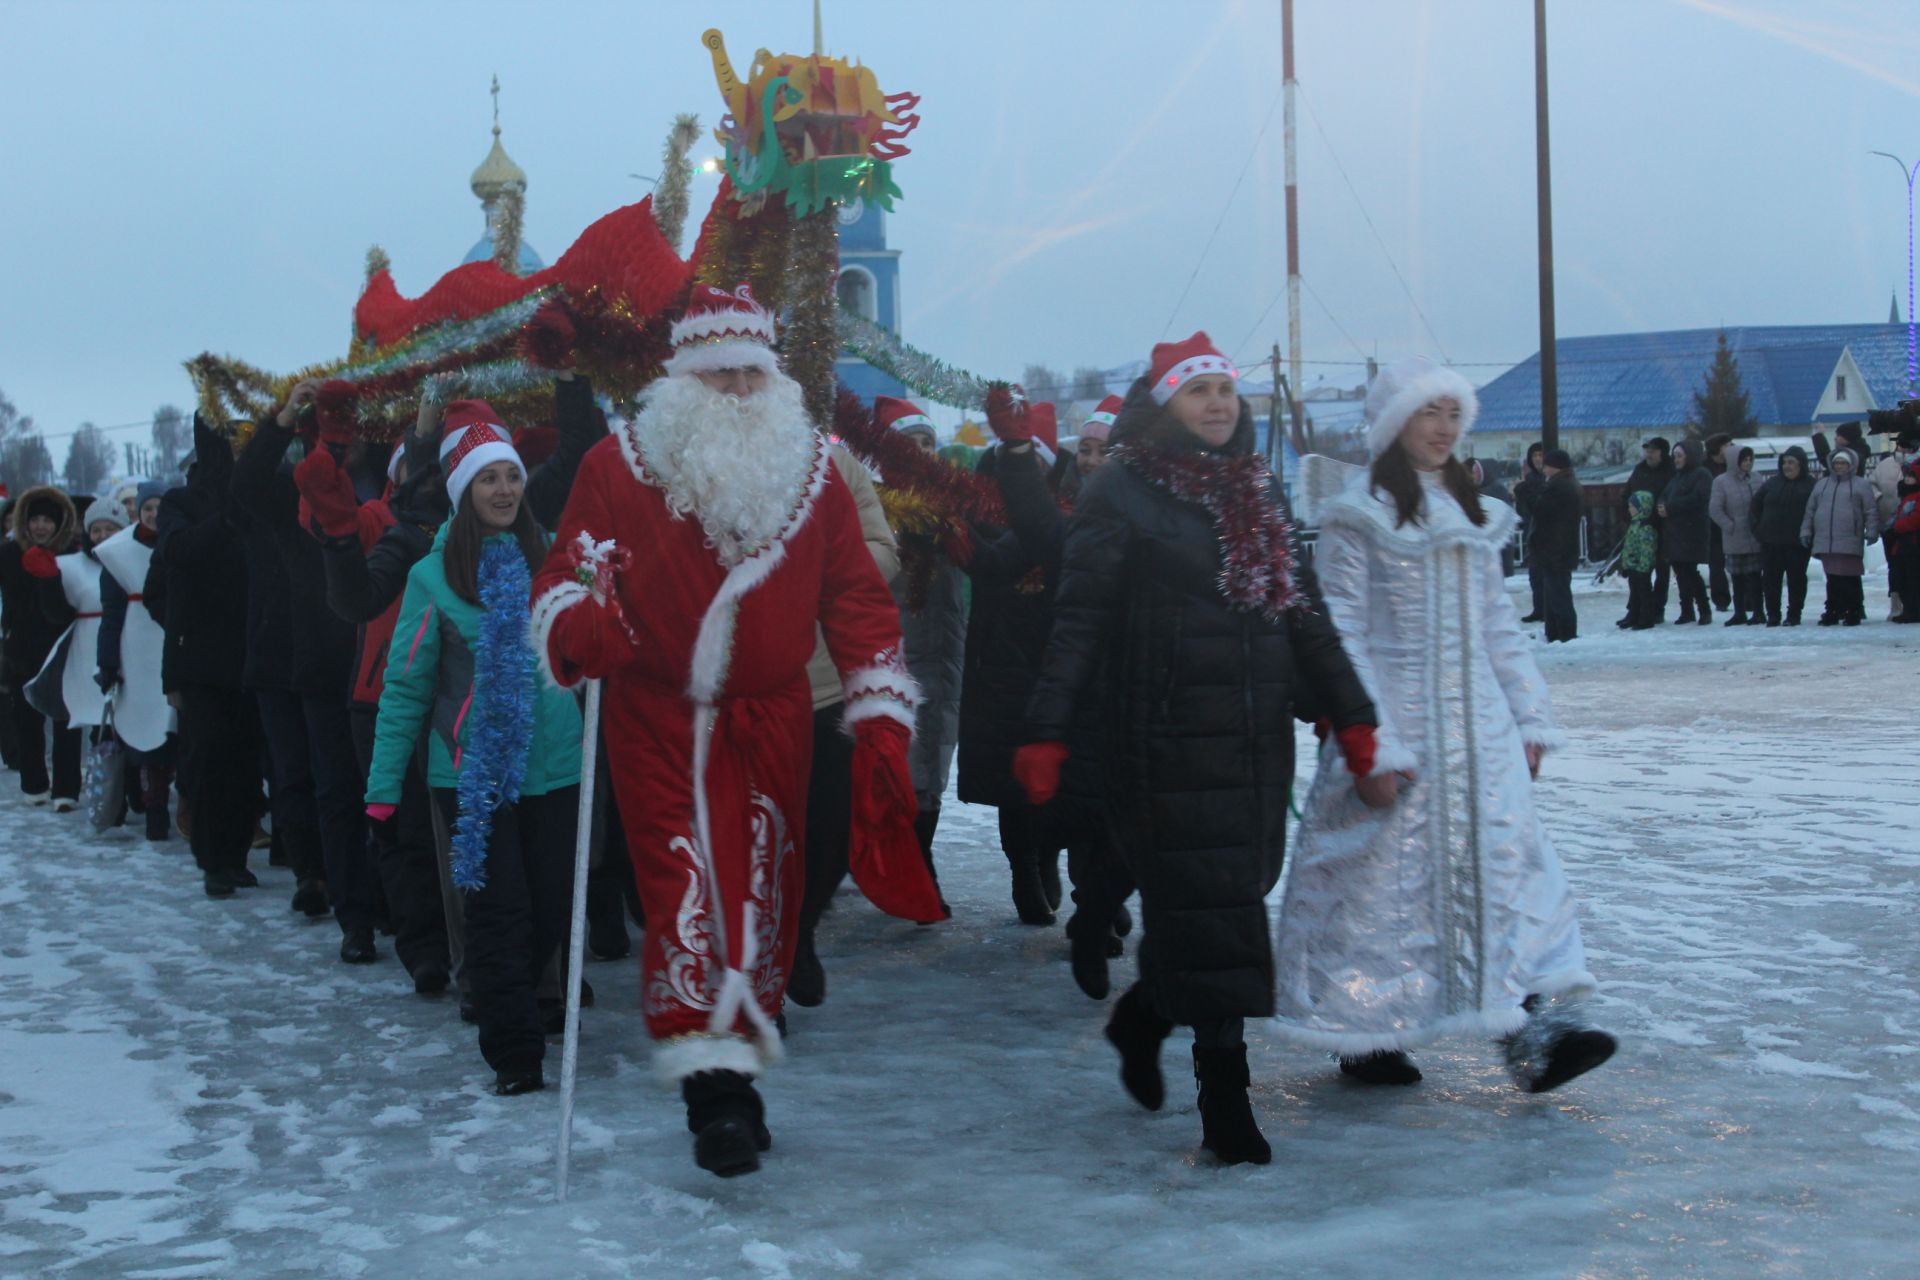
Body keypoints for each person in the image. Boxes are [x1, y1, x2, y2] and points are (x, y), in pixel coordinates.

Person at [531, 284, 941, 1177]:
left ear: (773, 377)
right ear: (682, 377)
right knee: (685, 892)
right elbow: (563, 575)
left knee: (762, 894)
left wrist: (877, 713)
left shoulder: (813, 474)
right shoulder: (617, 465)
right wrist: (578, 623)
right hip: (656, 717)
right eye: (717, 372)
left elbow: (857, 599)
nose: (735, 388)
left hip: (775, 716)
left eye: (750, 371)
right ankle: (715, 1098)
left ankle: (738, 1069)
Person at [1018, 332, 1380, 1167]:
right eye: (1198, 391)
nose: (1218, 404)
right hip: (1163, 739)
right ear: (1164, 405)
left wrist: (1349, 714)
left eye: (1225, 389)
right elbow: (1079, 621)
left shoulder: (1258, 489)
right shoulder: (1122, 489)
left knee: (1225, 899)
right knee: (1219, 910)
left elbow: (1306, 617)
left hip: (1253, 742)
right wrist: (1045, 730)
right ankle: (1226, 1104)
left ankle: (1141, 1018)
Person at [1273, 355, 1614, 1095]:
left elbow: (1498, 629)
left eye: (1454, 414)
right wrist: (1372, 744)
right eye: (1430, 413)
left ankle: (1538, 1034)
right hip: (1394, 726)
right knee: (1380, 892)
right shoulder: (1356, 513)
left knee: (1509, 872)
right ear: (1397, 423)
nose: (1444, 428)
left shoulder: (1476, 512)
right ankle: (1366, 1032)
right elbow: (1345, 635)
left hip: (1481, 736)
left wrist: (1529, 718)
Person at [367, 401, 584, 1095]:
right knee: (497, 915)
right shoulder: (433, 579)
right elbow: (404, 689)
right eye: (487, 479)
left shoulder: (552, 557)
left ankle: (520, 1001)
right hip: (472, 775)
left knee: (549, 909)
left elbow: (586, 650)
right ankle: (514, 1051)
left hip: (557, 770)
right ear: (463, 491)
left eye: (510, 477)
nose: (503, 491)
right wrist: (380, 789)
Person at [788, 410, 902, 1009]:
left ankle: (799, 929)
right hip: (734, 691)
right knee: (752, 837)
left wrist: (824, 576)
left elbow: (883, 548)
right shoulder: (698, 461)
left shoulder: (833, 462)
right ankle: (758, 979)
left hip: (826, 685)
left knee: (829, 832)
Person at [958, 403, 1070, 926]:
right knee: (1011, 780)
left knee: (1057, 776)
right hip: (1000, 660)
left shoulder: (1069, 512)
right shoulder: (980, 503)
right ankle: (1023, 866)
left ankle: (1047, 856)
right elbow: (989, 563)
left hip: (1056, 659)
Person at [95, 480, 179, 837]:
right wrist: (108, 663)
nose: (153, 515)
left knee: (177, 727)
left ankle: (183, 805)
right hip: (136, 648)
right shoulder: (117, 552)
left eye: (159, 507)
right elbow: (111, 614)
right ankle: (153, 806)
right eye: (147, 509)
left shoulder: (180, 542)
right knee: (146, 731)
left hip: (174, 638)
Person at [1, 486, 84, 805]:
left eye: (47, 520)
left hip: (62, 647)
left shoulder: (72, 554)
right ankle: (33, 784)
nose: (40, 526)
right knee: (27, 720)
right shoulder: (8, 554)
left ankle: (66, 789)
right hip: (21, 648)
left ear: (60, 523)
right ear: (23, 521)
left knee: (66, 719)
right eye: (34, 519)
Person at [1800, 446, 1879, 626]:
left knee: (1850, 577)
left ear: (1851, 464)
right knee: (1832, 578)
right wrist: (1806, 531)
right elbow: (1810, 510)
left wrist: (1872, 530)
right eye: (1836, 463)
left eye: (1843, 463)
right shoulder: (1822, 484)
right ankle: (1833, 610)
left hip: (1849, 538)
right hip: (1826, 540)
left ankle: (1854, 610)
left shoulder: (1861, 484)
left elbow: (1870, 510)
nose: (1839, 466)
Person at [1750, 445, 1815, 626]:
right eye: (1784, 462)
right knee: (1771, 580)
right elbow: (1754, 507)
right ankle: (1773, 615)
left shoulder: (1811, 485)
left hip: (1797, 543)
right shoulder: (1772, 483)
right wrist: (1758, 530)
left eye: (1791, 462)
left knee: (1796, 580)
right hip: (1771, 542)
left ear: (1801, 464)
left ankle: (1794, 615)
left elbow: (1817, 512)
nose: (1787, 466)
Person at [1530, 448, 1583, 642]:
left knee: (1558, 595)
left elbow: (1540, 509)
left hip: (1555, 549)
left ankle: (1565, 634)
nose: (1543, 468)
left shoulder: (1559, 486)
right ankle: (1555, 633)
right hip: (1560, 549)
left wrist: (1522, 490)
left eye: (1546, 464)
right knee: (1556, 593)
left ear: (1555, 467)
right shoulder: (1568, 484)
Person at [1709, 445, 1764, 626]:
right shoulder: (1721, 481)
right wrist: (1729, 526)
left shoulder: (1757, 479)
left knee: (1756, 577)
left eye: (1750, 460)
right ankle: (1739, 612)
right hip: (1734, 537)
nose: (1747, 463)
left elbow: (1763, 503)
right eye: (1744, 460)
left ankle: (1758, 611)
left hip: (1755, 536)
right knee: (1738, 578)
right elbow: (1715, 509)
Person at [1621, 438, 1675, 625]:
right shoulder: (1640, 469)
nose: (1649, 454)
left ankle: (1656, 609)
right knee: (1637, 571)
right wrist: (1629, 516)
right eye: (1647, 450)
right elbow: (1627, 493)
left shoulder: (1670, 471)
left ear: (1662, 452)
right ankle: (1635, 610)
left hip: (1662, 529)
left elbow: (1671, 497)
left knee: (1661, 570)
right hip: (1639, 526)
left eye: (1653, 450)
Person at [1659, 440, 1713, 625]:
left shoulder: (1701, 475)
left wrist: (1670, 508)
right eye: (1675, 457)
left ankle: (1704, 609)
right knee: (1680, 572)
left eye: (1680, 456)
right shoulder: (1677, 477)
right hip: (1676, 533)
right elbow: (1665, 495)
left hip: (1691, 532)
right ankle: (1687, 610)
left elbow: (1698, 498)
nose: (1676, 460)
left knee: (1690, 571)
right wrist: (1661, 506)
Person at [1870, 432, 1915, 619]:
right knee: (1894, 567)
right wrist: (1879, 499)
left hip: (1912, 525)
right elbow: (1871, 485)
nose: (1904, 449)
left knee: (1912, 566)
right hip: (1889, 524)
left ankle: (1913, 604)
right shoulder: (1885, 465)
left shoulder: (1916, 464)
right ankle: (1896, 605)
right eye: (1901, 445)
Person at [1514, 443, 1549, 623]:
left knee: (1546, 575)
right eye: (1534, 455)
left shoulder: (1549, 480)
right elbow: (1523, 509)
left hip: (1546, 533)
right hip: (1531, 530)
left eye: (1541, 455)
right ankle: (1539, 608)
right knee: (1534, 574)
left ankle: (1546, 609)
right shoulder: (1530, 479)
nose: (1537, 459)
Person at [1885, 457, 1920, 623]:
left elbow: (1915, 519)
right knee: (1904, 578)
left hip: (1913, 543)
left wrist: (1897, 527)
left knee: (1913, 578)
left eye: (1911, 476)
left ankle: (1913, 610)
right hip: (1904, 544)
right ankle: (1909, 609)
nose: (1907, 479)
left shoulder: (1915, 497)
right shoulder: (1907, 496)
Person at [1620, 490, 1659, 629]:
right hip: (1633, 567)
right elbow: (1629, 547)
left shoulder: (1646, 527)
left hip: (1641, 568)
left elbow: (1647, 550)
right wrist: (1626, 565)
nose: (1629, 509)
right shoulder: (1634, 524)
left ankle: (1646, 618)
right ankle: (1634, 615)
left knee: (1644, 593)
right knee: (1635, 593)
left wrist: (1643, 567)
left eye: (1632, 506)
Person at [1704, 432, 1733, 611]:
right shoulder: (1705, 469)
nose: (1731, 448)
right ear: (1719, 448)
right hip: (1712, 524)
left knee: (1741, 562)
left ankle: (1747, 598)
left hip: (1733, 520)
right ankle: (1721, 599)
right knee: (1716, 563)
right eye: (1728, 445)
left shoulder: (1733, 465)